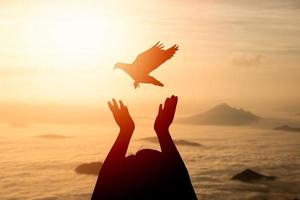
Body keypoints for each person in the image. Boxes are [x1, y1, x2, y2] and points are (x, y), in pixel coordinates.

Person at [92, 95, 197, 200]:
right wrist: (162, 130)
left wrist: (126, 130)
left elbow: (105, 181)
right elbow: (180, 180)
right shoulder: (176, 189)